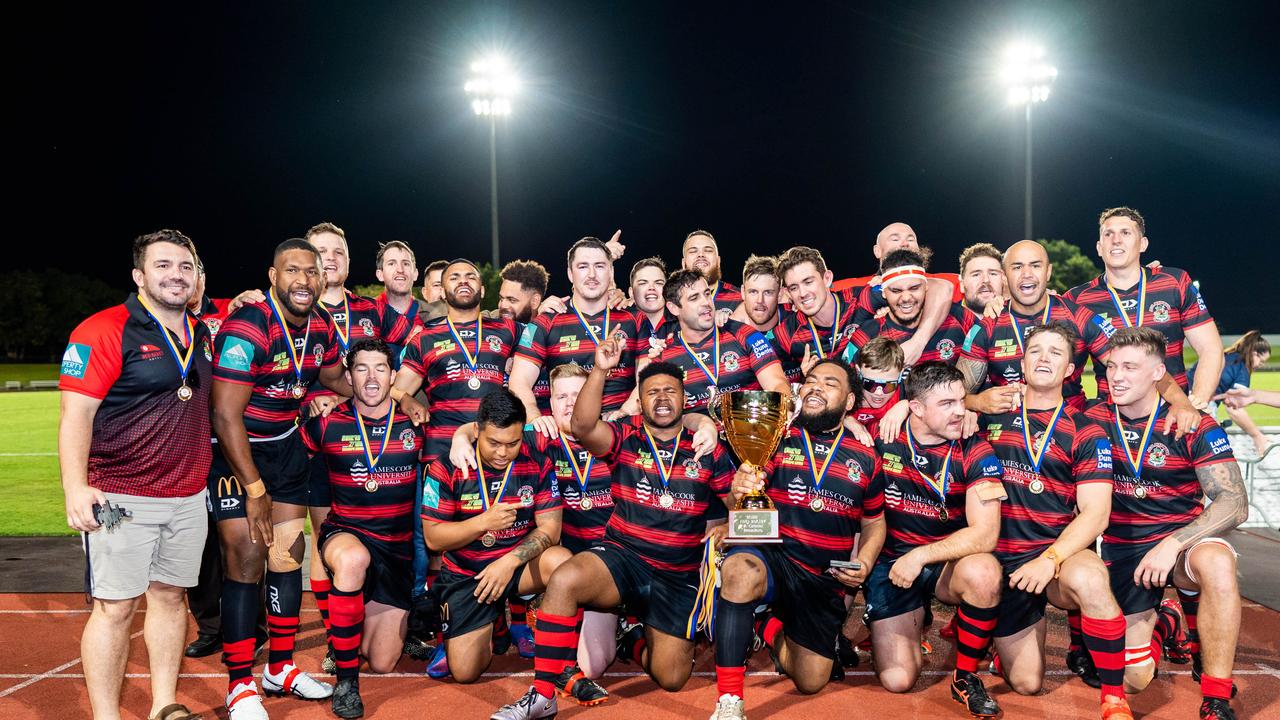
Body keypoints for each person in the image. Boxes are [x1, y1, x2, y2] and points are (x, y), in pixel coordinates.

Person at [491, 342, 735, 720]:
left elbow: (738, 503)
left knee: (671, 677)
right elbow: (584, 426)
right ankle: (541, 696)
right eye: (652, 392)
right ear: (640, 400)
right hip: (624, 560)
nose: (662, 398)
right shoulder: (625, 436)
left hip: (677, 574)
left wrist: (730, 527)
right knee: (566, 578)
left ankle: (633, 639)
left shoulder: (708, 447)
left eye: (670, 390)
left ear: (686, 398)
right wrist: (600, 370)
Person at [59, 229, 212, 720]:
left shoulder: (201, 331)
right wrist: (75, 488)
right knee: (116, 608)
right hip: (121, 497)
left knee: (170, 599)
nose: (176, 275)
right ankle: (107, 716)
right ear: (139, 275)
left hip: (188, 495)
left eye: (185, 267)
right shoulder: (103, 329)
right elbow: (76, 415)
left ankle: (164, 704)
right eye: (163, 265)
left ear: (196, 278)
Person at [210, 238, 352, 718]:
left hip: (286, 448)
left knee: (288, 557)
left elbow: (335, 378)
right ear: (273, 277)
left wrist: (388, 394)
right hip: (238, 456)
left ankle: (281, 667)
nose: (304, 281)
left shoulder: (323, 324)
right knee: (247, 560)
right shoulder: (249, 323)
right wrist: (253, 490)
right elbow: (225, 416)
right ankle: (239, 684)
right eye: (293, 271)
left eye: (312, 272)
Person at [1083, 327, 1248, 720]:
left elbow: (1236, 503)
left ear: (1159, 372)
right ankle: (1167, 622)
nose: (1117, 376)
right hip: (1123, 551)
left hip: (1181, 546)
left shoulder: (1192, 424)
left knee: (1219, 563)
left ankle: (1215, 697)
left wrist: (1173, 543)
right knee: (1132, 681)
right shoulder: (1090, 421)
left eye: (1129, 367)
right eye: (1111, 367)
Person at [709, 359, 886, 720]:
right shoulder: (775, 435)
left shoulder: (867, 458)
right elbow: (739, 499)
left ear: (850, 402)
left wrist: (865, 562)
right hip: (773, 558)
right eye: (810, 381)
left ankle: (765, 625)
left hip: (822, 578)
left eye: (830, 383)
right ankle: (729, 702)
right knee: (740, 570)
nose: (816, 387)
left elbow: (875, 524)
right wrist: (739, 488)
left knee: (810, 679)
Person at [978, 323, 1133, 720]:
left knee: (1091, 579)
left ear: (1070, 371)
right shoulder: (987, 418)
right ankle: (1000, 637)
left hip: (1058, 556)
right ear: (1022, 361)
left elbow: (1097, 513)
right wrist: (968, 404)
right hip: (1001, 560)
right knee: (1028, 684)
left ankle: (1115, 700)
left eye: (1055, 352)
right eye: (1035, 351)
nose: (1043, 358)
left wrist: (1050, 558)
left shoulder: (1086, 430)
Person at [864, 362, 1006, 718]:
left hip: (944, 563)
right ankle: (909, 616)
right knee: (898, 680)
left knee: (985, 572)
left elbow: (986, 533)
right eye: (947, 404)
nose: (961, 410)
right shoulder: (883, 435)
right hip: (893, 561)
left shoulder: (975, 447)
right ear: (915, 408)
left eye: (962, 400)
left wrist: (922, 556)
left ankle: (965, 675)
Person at [300, 338, 423, 718]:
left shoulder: (416, 423)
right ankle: (347, 684)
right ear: (349, 377)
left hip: (396, 549)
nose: (371, 377)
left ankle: (345, 635)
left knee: (384, 661)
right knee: (352, 560)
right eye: (361, 369)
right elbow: (287, 464)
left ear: (393, 376)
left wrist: (466, 436)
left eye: (380, 368)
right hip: (346, 532)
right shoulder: (325, 424)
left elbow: (461, 441)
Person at [421, 388, 571, 684]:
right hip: (467, 574)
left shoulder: (537, 462)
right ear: (476, 431)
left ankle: (561, 662)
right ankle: (495, 623)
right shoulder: (446, 468)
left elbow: (551, 530)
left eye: (512, 443)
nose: (502, 453)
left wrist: (508, 563)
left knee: (563, 563)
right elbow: (434, 539)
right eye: (493, 443)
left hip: (514, 568)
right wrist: (483, 522)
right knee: (465, 673)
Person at [1064, 207, 1224, 406]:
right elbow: (1064, 367)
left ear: (1143, 244)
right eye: (1108, 234)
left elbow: (1211, 348)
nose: (1116, 240)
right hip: (1112, 420)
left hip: (1172, 412)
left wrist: (1197, 402)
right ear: (1099, 247)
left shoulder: (1174, 282)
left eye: (1126, 233)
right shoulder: (1077, 299)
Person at [510, 237, 643, 417]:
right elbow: (519, 380)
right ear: (570, 274)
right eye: (583, 267)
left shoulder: (634, 317)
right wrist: (534, 418)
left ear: (611, 272)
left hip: (621, 428)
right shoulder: (546, 321)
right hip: (567, 430)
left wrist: (624, 412)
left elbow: (647, 376)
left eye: (599, 266)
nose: (592, 275)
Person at [650, 269, 790, 412]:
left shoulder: (746, 334)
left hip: (749, 429)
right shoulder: (663, 356)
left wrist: (782, 410)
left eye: (707, 294)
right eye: (694, 298)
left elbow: (777, 384)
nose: (706, 302)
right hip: (698, 432)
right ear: (673, 308)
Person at [843, 249, 978, 366]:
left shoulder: (959, 318)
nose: (906, 297)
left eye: (914, 288)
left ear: (926, 287)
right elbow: (846, 378)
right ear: (884, 292)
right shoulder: (868, 334)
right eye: (896, 291)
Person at [1191, 331, 1271, 456]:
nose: (1261, 366)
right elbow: (1234, 409)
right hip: (1201, 404)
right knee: (1213, 454)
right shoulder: (1241, 368)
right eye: (1261, 362)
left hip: (1182, 398)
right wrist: (1257, 436)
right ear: (1254, 354)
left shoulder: (1224, 355)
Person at [373, 240, 423, 360]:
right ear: (380, 274)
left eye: (406, 264)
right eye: (391, 264)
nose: (400, 269)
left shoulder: (430, 317)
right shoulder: (366, 312)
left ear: (415, 274)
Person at [681, 229, 741, 316]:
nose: (701, 254)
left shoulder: (739, 298)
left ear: (718, 261)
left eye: (708, 250)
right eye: (693, 251)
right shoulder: (673, 301)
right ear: (683, 263)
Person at [851, 337, 905, 433]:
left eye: (889, 385)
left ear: (900, 375)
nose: (878, 393)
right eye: (870, 384)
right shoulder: (844, 393)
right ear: (858, 373)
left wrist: (906, 406)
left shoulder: (906, 392)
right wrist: (844, 419)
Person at [629, 256, 670, 342]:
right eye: (643, 283)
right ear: (631, 292)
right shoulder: (620, 325)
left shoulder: (683, 323)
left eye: (658, 283)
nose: (651, 288)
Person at [497, 260, 550, 324]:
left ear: (534, 301)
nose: (502, 306)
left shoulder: (552, 328)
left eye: (512, 300)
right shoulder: (490, 318)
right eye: (501, 299)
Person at [958, 243, 1006, 314]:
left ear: (1003, 281)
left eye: (993, 274)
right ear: (962, 285)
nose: (986, 280)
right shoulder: (943, 319)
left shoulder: (1021, 317)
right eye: (976, 275)